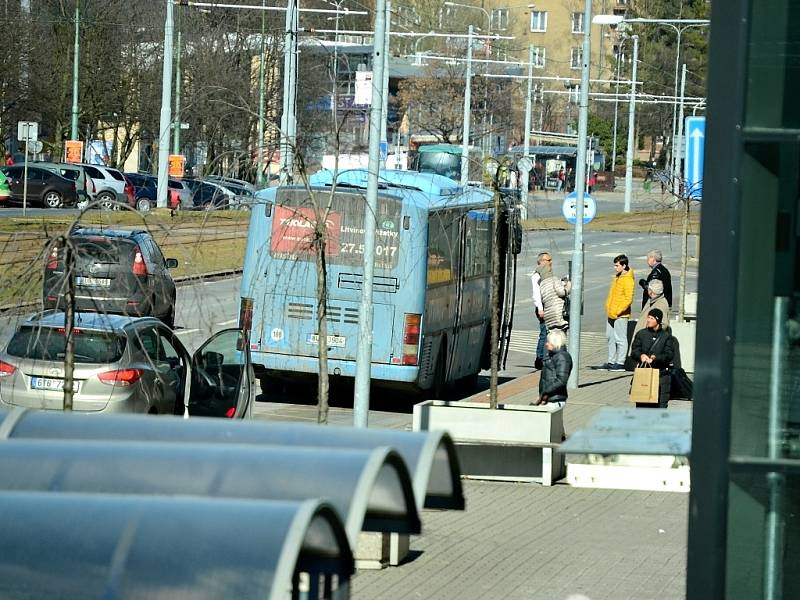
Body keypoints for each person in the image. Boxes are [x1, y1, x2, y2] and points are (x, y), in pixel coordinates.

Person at [630, 308, 676, 408]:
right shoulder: (641, 334)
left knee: (659, 408)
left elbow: (669, 354)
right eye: (648, 317)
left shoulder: (666, 336)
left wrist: (656, 358)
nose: (648, 320)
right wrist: (640, 356)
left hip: (661, 377)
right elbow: (634, 351)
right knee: (642, 406)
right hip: (644, 374)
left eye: (651, 318)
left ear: (657, 320)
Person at [604, 254, 634, 371]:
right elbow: (612, 294)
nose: (615, 268)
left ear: (624, 265)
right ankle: (611, 361)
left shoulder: (628, 279)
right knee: (610, 337)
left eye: (617, 265)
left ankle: (620, 362)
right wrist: (608, 306)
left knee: (620, 338)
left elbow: (628, 299)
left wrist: (618, 311)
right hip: (611, 313)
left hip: (620, 314)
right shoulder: (617, 277)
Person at [629, 279, 670, 363]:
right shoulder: (652, 300)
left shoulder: (660, 304)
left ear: (651, 291)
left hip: (649, 342)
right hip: (644, 339)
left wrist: (651, 333)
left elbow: (663, 324)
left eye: (648, 289)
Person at [531, 329, 573, 410]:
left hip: (555, 400)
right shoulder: (553, 356)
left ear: (555, 343)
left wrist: (545, 392)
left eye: (548, 342)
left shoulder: (562, 357)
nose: (546, 344)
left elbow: (561, 380)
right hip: (549, 399)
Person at [530, 252, 552, 370]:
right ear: (542, 262)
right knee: (545, 332)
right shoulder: (537, 276)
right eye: (549, 260)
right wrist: (540, 309)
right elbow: (536, 294)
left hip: (546, 305)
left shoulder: (545, 274)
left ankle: (542, 358)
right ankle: (540, 359)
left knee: (545, 332)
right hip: (542, 307)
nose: (551, 262)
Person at [538, 259, 570, 334]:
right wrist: (568, 285)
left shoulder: (542, 284)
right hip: (558, 314)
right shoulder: (554, 279)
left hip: (549, 316)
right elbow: (561, 292)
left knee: (553, 338)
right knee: (560, 339)